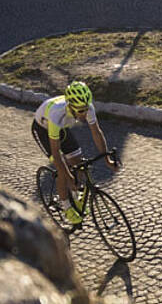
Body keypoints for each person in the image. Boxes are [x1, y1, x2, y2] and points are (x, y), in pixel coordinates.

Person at [34, 81, 118, 224]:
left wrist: (107, 159)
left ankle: (75, 195)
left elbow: (97, 133)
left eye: (85, 109)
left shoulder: (87, 107)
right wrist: (68, 176)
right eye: (80, 111)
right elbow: (56, 153)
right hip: (44, 129)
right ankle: (66, 206)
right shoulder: (57, 114)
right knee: (63, 171)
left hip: (62, 128)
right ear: (70, 106)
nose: (84, 114)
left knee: (79, 163)